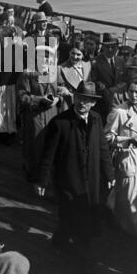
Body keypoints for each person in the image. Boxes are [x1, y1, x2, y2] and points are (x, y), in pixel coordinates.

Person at [35, 81, 115, 258]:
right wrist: (42, 180)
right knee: (68, 212)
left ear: (93, 103)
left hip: (91, 177)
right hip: (68, 177)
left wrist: (109, 173)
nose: (82, 103)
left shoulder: (96, 119)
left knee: (88, 211)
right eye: (79, 98)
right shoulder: (60, 122)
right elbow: (48, 155)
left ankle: (74, 244)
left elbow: (102, 148)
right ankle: (66, 245)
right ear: (74, 97)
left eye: (87, 100)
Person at [105, 79, 137, 261]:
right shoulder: (119, 112)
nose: (134, 95)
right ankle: (136, 238)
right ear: (126, 93)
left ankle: (134, 236)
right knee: (130, 200)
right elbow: (107, 135)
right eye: (131, 92)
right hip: (126, 158)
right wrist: (127, 140)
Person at [17, 45, 60, 182]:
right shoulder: (27, 73)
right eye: (42, 56)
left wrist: (57, 99)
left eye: (48, 56)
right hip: (35, 114)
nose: (45, 59)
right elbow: (22, 96)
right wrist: (39, 99)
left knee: (49, 142)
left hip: (52, 113)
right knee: (34, 142)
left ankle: (45, 172)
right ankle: (32, 171)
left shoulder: (53, 72)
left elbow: (58, 90)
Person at [91, 32, 126, 121]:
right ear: (102, 47)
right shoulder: (95, 62)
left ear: (117, 47)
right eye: (107, 47)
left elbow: (124, 80)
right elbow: (93, 81)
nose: (110, 49)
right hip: (101, 104)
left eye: (113, 47)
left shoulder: (121, 61)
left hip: (118, 103)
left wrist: (114, 90)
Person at [57, 41, 92, 111]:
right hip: (69, 105)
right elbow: (54, 87)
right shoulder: (60, 68)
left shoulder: (88, 65)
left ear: (83, 55)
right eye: (72, 53)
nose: (75, 57)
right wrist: (63, 89)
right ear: (69, 53)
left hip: (85, 105)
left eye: (78, 54)